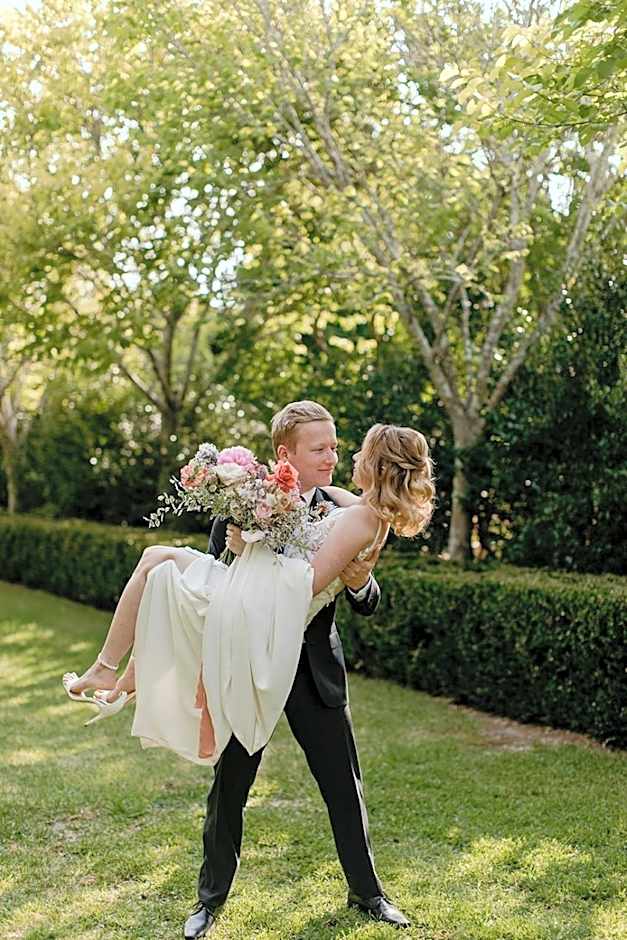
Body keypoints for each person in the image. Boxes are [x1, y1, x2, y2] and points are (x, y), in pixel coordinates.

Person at [63, 403, 435, 936]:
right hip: (248, 656)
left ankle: (369, 894)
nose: (333, 456)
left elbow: (359, 588)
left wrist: (359, 580)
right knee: (229, 785)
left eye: (337, 448)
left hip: (313, 667)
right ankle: (208, 901)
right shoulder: (242, 503)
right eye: (321, 449)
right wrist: (246, 544)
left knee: (342, 785)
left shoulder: (347, 505)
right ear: (287, 454)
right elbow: (223, 592)